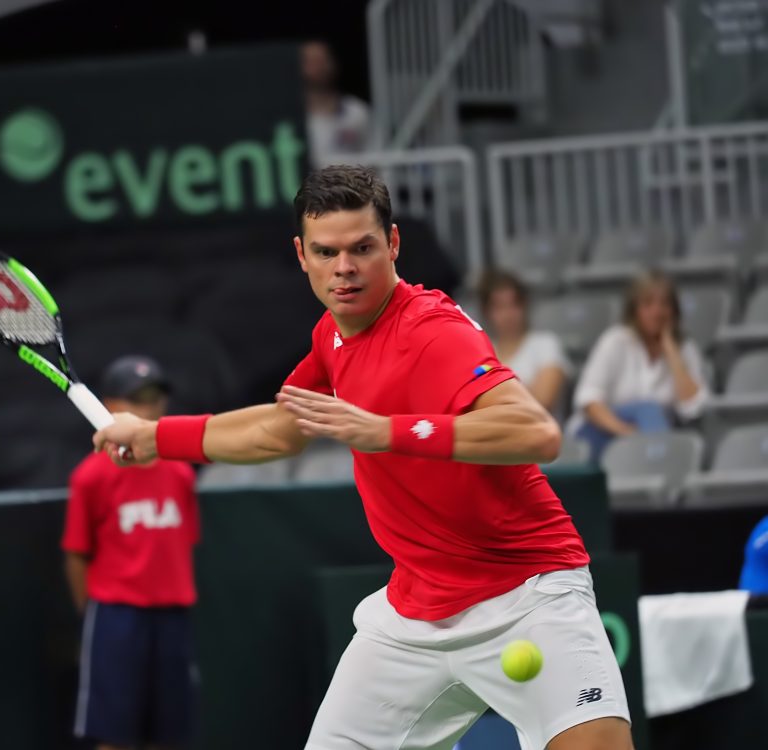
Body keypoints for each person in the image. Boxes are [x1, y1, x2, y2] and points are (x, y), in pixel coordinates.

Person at [95, 165, 633, 750]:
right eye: (326, 252)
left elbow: (535, 431)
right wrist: (155, 436)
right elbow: (278, 432)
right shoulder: (331, 335)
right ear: (301, 254)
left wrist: (388, 431)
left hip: (527, 593)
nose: (344, 269)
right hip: (412, 615)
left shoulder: (434, 330)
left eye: (362, 249)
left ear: (393, 243)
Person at [62, 355, 199, 750]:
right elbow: (76, 554)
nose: (149, 408)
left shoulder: (179, 471)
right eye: (137, 399)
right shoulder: (91, 476)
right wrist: (93, 617)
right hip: (116, 616)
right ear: (110, 406)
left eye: (156, 398)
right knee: (115, 732)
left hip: (172, 613)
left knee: (170, 731)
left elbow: (184, 542)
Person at [571, 269, 709, 462]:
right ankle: (660, 464)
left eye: (664, 304)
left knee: (653, 414)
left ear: (674, 310)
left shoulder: (685, 348)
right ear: (634, 310)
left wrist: (671, 351)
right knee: (648, 410)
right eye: (648, 304)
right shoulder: (616, 340)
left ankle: (657, 465)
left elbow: (693, 408)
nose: (657, 312)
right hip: (604, 432)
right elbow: (589, 400)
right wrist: (627, 434)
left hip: (655, 437)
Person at [477, 269, 571, 415]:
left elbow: (543, 401)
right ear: (487, 312)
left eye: (514, 305)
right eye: (499, 307)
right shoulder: (481, 354)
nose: (508, 314)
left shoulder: (546, 344)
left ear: (524, 306)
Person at [302, 40, 373, 167]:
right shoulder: (292, 117)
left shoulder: (357, 111)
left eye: (323, 60)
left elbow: (377, 156)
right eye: (312, 62)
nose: (319, 67)